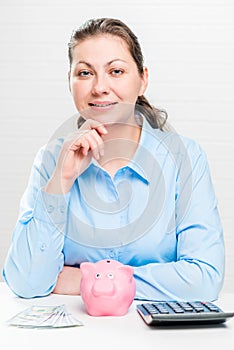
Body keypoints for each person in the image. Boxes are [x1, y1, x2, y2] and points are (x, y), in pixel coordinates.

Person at [3, 18, 225, 300]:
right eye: (84, 73)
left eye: (116, 71)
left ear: (142, 80)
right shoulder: (51, 159)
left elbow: (204, 279)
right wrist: (62, 180)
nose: (99, 87)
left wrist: (89, 279)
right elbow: (26, 282)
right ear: (70, 83)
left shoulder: (185, 158)